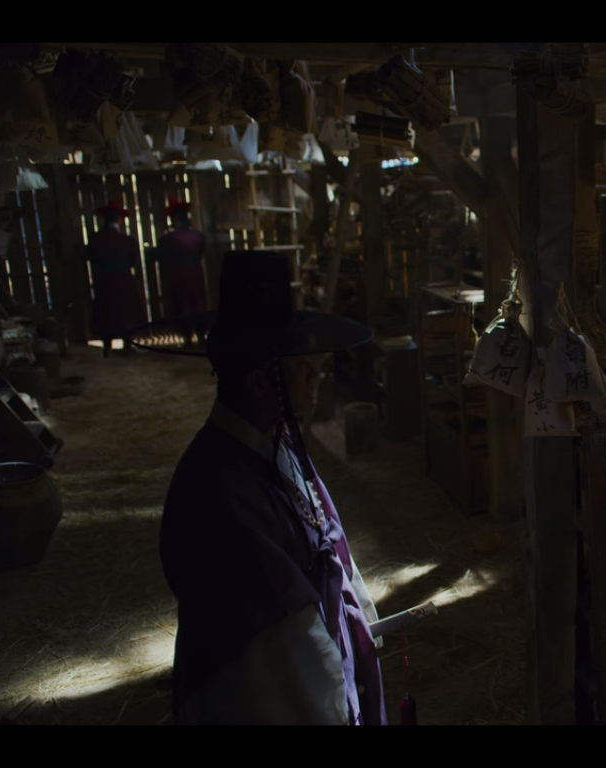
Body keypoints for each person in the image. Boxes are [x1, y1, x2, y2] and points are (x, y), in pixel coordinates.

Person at [130, 250, 386, 725]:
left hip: (316, 663)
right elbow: (282, 645)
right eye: (297, 363)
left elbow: (328, 540)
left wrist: (358, 630)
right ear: (259, 381)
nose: (313, 372)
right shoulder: (219, 492)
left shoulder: (277, 445)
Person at [86, 200, 146, 357]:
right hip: (124, 280)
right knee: (125, 312)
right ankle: (127, 345)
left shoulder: (95, 239)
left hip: (104, 280)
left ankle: (107, 346)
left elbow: (89, 257)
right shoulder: (127, 240)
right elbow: (134, 262)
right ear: (119, 220)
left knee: (106, 311)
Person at [154, 197, 209, 320]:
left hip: (178, 275)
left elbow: (159, 255)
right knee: (197, 305)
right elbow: (201, 252)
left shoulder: (169, 238)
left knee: (181, 308)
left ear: (175, 219)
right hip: (195, 273)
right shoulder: (198, 236)